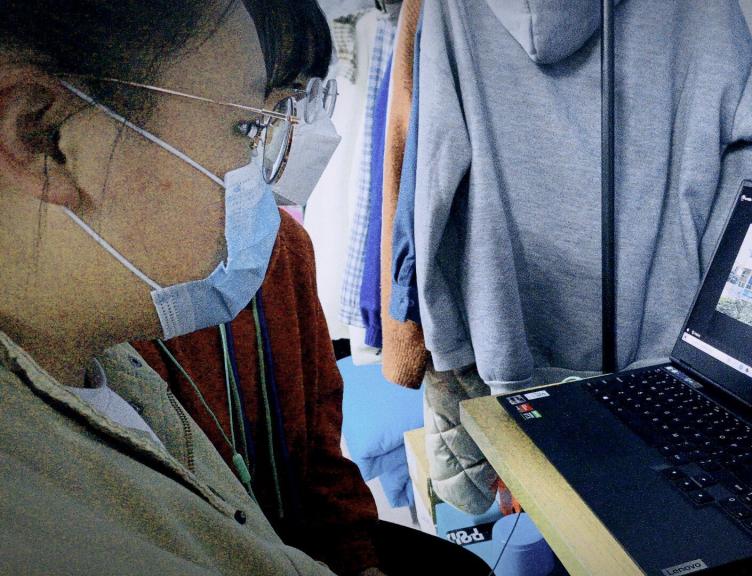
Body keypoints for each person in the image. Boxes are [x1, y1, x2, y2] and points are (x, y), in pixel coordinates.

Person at [0, 1, 490, 574]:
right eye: (251, 126)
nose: (271, 170)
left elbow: (317, 450)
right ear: (43, 135)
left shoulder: (105, 359)